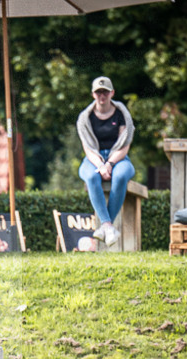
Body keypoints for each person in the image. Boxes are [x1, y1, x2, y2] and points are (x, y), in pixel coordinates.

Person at [76, 76, 135, 247]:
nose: (102, 96)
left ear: (112, 93)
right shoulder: (84, 118)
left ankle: (105, 226)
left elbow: (125, 144)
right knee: (91, 177)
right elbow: (87, 148)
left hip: (118, 156)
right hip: (94, 158)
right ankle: (108, 226)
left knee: (121, 175)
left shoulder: (122, 114)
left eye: (105, 92)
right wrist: (100, 165)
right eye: (98, 92)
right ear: (93, 94)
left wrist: (109, 163)